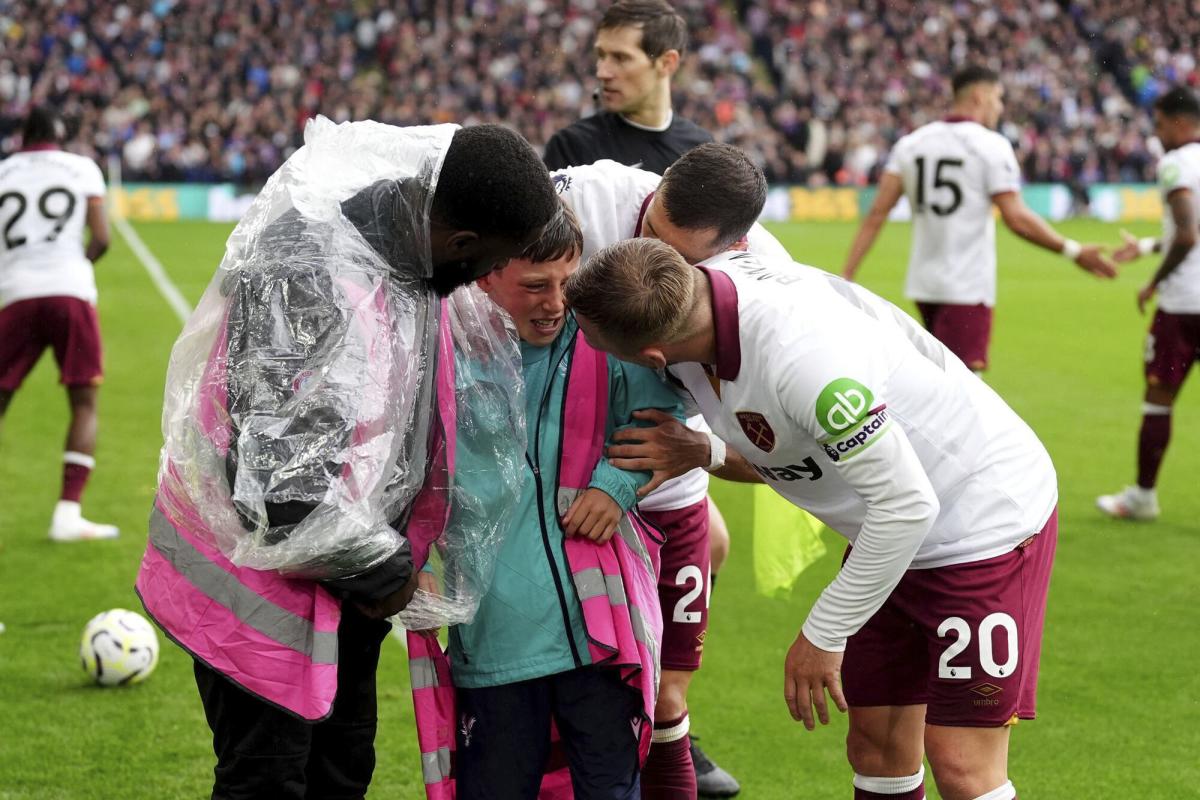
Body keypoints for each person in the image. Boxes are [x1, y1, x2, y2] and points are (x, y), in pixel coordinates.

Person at [134, 119, 559, 800]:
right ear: (462, 243)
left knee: (339, 770)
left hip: (346, 588)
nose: (482, 282)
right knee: (269, 781)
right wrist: (385, 569)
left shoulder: (404, 259)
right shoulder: (305, 268)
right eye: (486, 264)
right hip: (262, 593)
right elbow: (277, 484)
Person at [566, 233, 1060, 800]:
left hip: (980, 523)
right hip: (887, 530)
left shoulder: (804, 366)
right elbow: (795, 456)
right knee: (875, 746)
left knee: (962, 765)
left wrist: (824, 632)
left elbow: (908, 505)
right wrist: (703, 452)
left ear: (652, 358)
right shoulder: (697, 300)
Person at [553, 144, 795, 799]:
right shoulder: (588, 193)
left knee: (662, 698)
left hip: (668, 496)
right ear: (656, 188)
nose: (654, 255)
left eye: (681, 256)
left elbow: (787, 450)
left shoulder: (767, 284)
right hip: (559, 492)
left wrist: (691, 460)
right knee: (568, 689)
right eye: (651, 228)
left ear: (734, 245)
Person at [420, 202, 683, 799]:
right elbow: (405, 467)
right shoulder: (442, 345)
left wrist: (615, 486)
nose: (557, 302)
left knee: (612, 789)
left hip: (598, 631)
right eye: (536, 285)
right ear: (485, 275)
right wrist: (413, 565)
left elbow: (663, 421)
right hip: (493, 627)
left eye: (569, 280)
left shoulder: (603, 335)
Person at [841, 65, 1118, 372]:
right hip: (966, 287)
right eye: (998, 98)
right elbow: (1017, 218)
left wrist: (847, 275)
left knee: (937, 378)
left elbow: (877, 214)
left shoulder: (912, 144)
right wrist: (1073, 250)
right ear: (979, 95)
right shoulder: (991, 145)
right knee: (964, 390)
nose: (999, 108)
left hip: (924, 285)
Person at [0, 106, 117, 541]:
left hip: (16, 294)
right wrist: (75, 267)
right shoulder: (80, 167)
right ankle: (67, 513)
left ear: (20, 139)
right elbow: (102, 237)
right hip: (70, 290)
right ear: (59, 135)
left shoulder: (4, 172)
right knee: (83, 402)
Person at [1097, 85, 1200, 521]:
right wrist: (1144, 245)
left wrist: (1152, 282)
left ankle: (1143, 497)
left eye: (1159, 124)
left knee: (1159, 396)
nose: (1156, 135)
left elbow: (1188, 234)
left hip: (1183, 307)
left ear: (1179, 122)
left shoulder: (1175, 163)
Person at [543, 0, 712, 176]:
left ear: (667, 63)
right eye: (601, 55)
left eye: (620, 58)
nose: (602, 72)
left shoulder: (700, 152)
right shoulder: (572, 148)